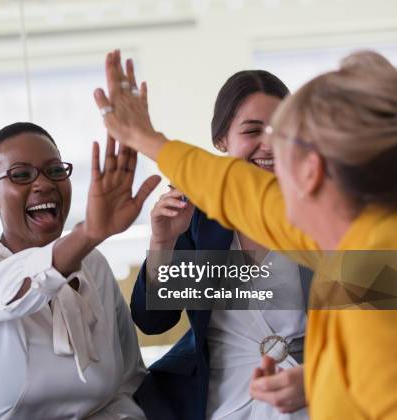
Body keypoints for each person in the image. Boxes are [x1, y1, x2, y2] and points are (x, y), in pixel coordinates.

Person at [93, 49, 397, 419]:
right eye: (255, 131)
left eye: (286, 141)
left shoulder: (369, 263)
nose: (270, 151)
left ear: (312, 171)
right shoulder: (359, 241)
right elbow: (243, 194)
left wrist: (147, 139)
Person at [0, 122, 160, 419]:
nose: (43, 184)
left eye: (55, 170)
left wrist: (163, 242)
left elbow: (127, 384)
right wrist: (89, 233)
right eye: (21, 175)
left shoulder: (93, 264)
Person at [130, 70, 311, 420]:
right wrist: (163, 241)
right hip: (217, 395)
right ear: (221, 140)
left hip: (307, 387)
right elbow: (153, 321)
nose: (269, 145)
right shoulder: (199, 214)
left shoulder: (321, 213)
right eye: (252, 131)